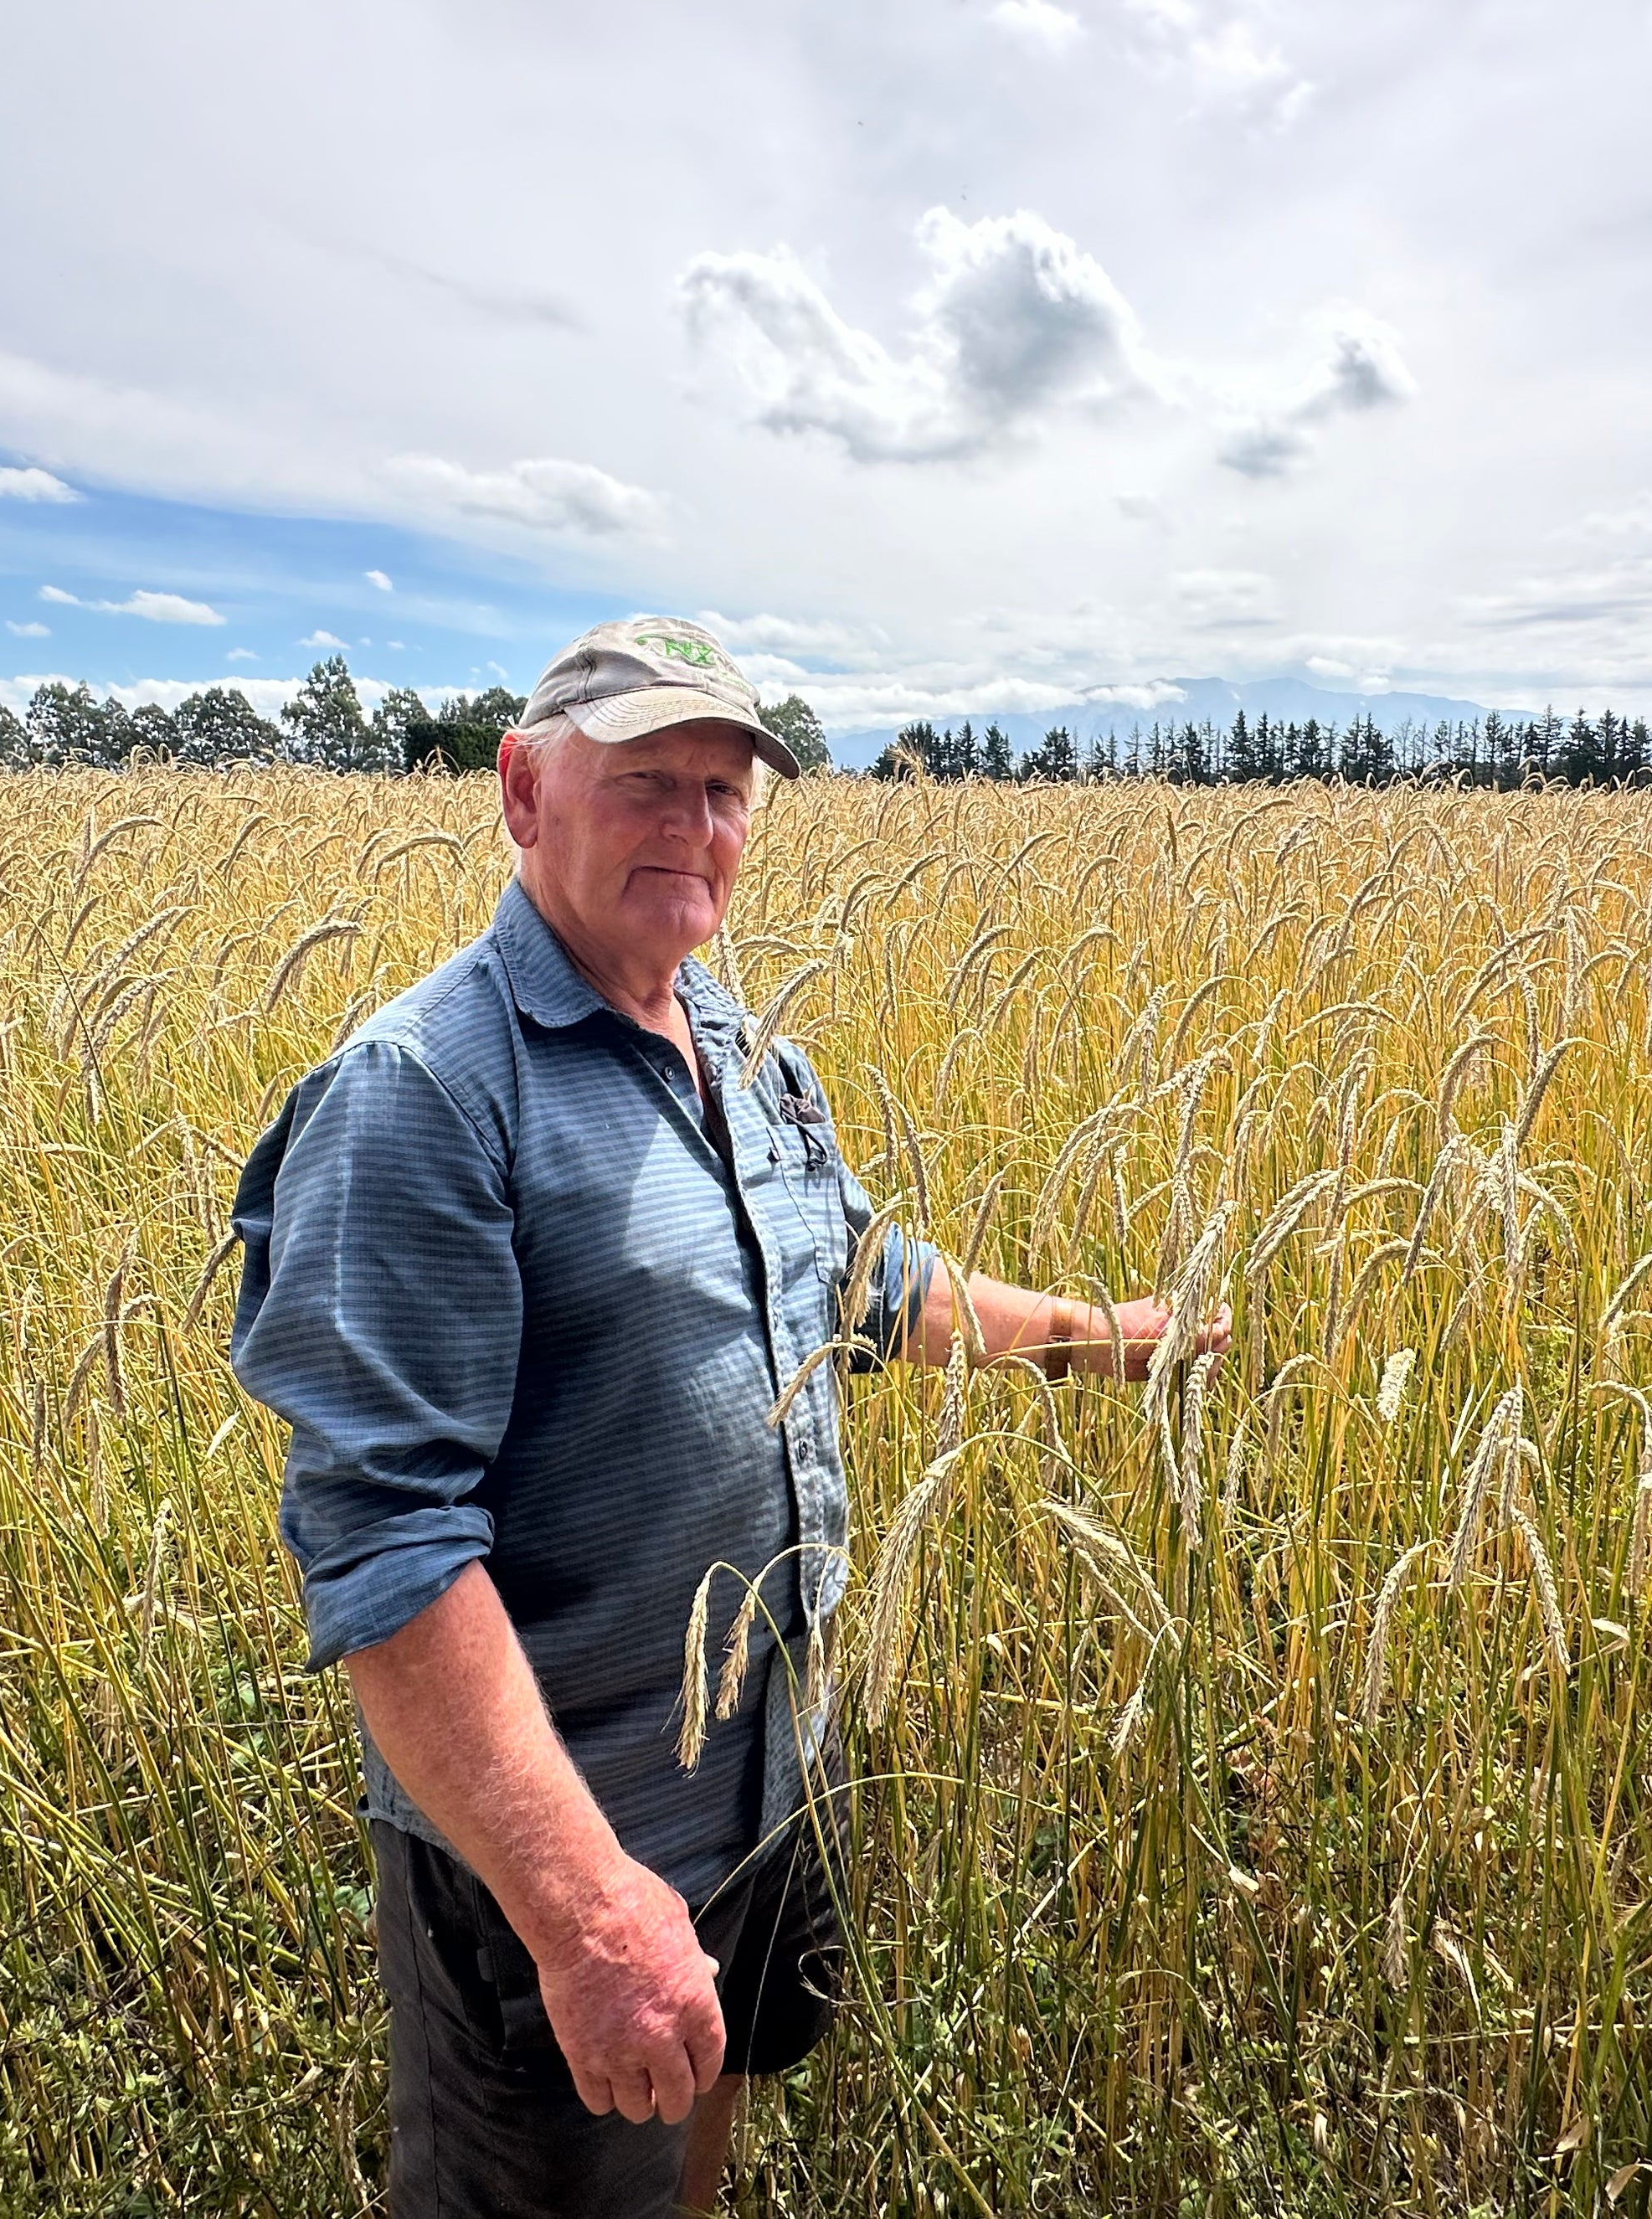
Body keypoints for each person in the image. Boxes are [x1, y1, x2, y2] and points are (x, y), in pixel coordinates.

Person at [227, 616, 1217, 2218]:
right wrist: (587, 1914)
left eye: (723, 789)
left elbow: (861, 1286)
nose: (694, 825)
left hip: (768, 1783)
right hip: (564, 1860)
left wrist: (1092, 1339)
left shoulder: (747, 1052)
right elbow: (384, 1541)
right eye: (647, 784)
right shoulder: (424, 1091)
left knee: (697, 2142)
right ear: (523, 791)